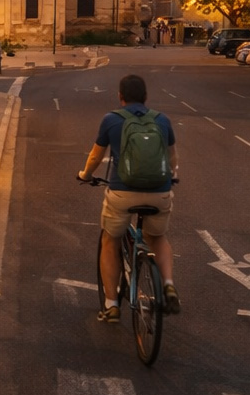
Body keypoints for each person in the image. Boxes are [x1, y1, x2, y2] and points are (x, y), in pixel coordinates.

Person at [77, 74, 180, 322]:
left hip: (122, 193)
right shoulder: (162, 120)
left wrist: (85, 175)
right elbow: (172, 158)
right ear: (146, 97)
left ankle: (111, 305)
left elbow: (94, 157)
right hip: (159, 192)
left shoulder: (111, 120)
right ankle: (168, 284)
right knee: (157, 238)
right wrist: (171, 177)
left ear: (120, 97)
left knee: (110, 241)